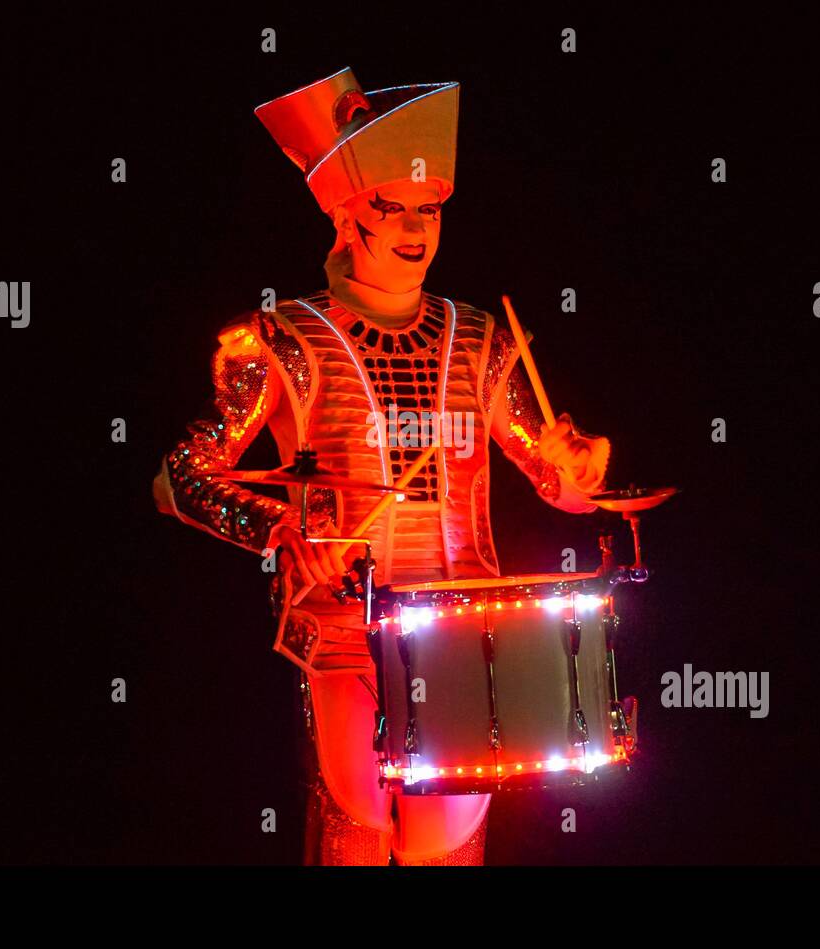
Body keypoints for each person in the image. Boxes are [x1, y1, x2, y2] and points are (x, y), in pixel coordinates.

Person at [152, 67, 611, 865]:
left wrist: (578, 477)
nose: (413, 228)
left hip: (464, 629)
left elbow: (556, 482)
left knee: (448, 844)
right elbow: (180, 477)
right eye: (388, 207)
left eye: (427, 209)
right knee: (355, 832)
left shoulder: (482, 338)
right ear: (344, 213)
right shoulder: (278, 338)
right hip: (341, 633)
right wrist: (281, 527)